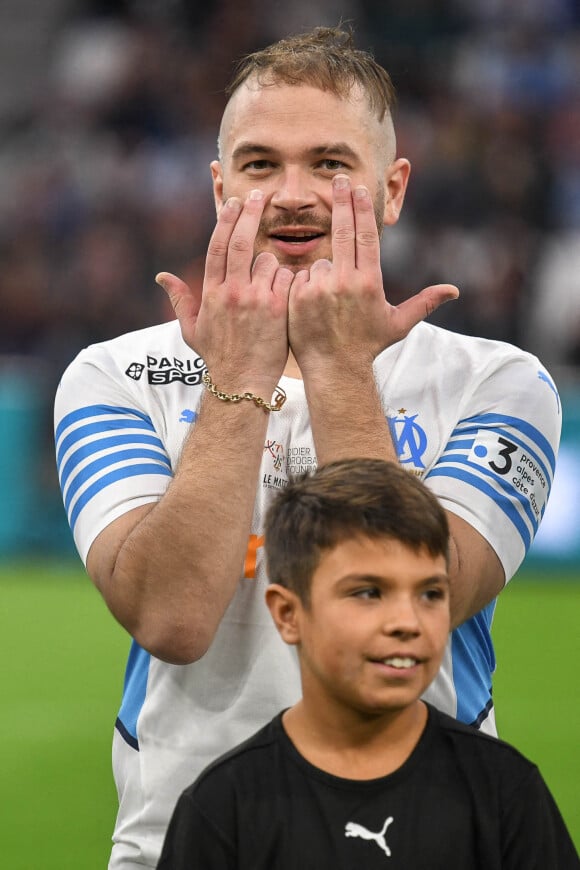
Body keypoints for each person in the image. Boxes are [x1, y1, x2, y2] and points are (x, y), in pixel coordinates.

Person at [53, 26, 562, 870]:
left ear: (391, 189)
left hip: (431, 839)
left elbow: (430, 589)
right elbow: (173, 619)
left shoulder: (500, 384)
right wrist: (241, 378)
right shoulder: (115, 375)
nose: (293, 195)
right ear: (220, 190)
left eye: (331, 164)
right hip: (184, 835)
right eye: (259, 166)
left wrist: (333, 364)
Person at [157, 458, 578, 869]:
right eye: (368, 593)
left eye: (431, 593)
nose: (407, 623)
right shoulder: (223, 804)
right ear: (288, 614)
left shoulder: (504, 790)